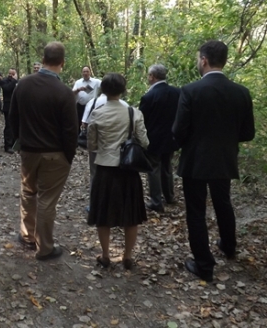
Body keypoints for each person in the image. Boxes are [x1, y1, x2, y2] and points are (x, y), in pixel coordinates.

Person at [173, 40, 255, 282]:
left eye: (198, 59)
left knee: (196, 211)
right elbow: (248, 133)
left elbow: (178, 131)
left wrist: (190, 141)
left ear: (204, 60)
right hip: (225, 159)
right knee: (223, 203)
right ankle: (229, 246)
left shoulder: (190, 91)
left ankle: (204, 265)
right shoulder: (241, 92)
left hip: (195, 161)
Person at [10, 42, 78, 260]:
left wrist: (21, 141)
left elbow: (13, 117)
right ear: (62, 63)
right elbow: (71, 130)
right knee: (47, 200)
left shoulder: (23, 84)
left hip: (29, 151)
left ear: (43, 59)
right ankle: (45, 248)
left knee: (28, 193)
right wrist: (68, 156)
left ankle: (28, 235)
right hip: (54, 154)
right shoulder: (64, 92)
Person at [87, 73, 148, 270]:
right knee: (131, 215)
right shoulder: (133, 112)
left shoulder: (97, 113)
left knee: (102, 214)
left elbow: (91, 145)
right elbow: (145, 142)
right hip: (128, 170)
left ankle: (105, 255)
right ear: (123, 90)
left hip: (105, 169)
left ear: (103, 90)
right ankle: (127, 257)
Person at [139, 64, 181, 213]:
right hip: (172, 138)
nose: (148, 77)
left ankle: (156, 201)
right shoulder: (177, 92)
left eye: (149, 75)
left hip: (154, 139)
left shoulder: (148, 97)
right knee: (167, 167)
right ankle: (169, 196)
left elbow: (141, 119)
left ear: (153, 76)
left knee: (154, 169)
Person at [81, 90, 128, 207]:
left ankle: (95, 204)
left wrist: (91, 147)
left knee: (95, 175)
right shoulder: (126, 106)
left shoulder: (93, 102)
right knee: (117, 177)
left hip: (98, 148)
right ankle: (115, 204)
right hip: (119, 149)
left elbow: (85, 123)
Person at [0, 67, 18, 153]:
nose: (11, 75)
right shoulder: (5, 81)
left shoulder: (19, 82)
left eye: (13, 74)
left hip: (17, 107)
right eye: (10, 73)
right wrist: (14, 80)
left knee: (16, 126)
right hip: (8, 107)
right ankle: (8, 145)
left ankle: (15, 144)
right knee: (9, 126)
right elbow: (7, 89)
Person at [73, 66, 101, 131]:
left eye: (87, 71)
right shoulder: (78, 82)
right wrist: (78, 89)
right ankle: (79, 136)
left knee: (91, 124)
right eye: (84, 72)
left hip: (92, 107)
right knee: (79, 123)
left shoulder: (96, 82)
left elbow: (105, 85)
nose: (85, 73)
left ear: (90, 72)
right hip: (80, 107)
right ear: (82, 73)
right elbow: (72, 93)